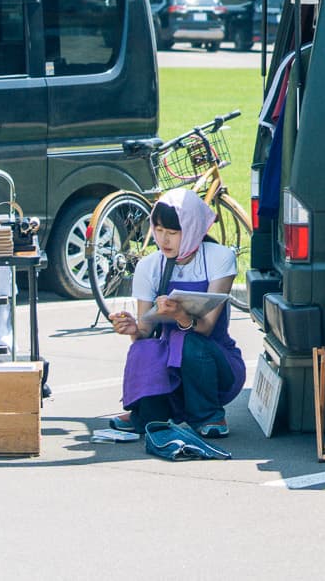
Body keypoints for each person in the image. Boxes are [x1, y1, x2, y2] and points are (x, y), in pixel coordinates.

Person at [104, 189, 244, 451]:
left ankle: (209, 415)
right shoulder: (149, 266)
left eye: (173, 232)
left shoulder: (220, 257)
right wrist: (134, 328)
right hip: (169, 362)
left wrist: (180, 314)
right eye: (158, 230)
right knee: (143, 348)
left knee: (188, 340)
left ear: (191, 229)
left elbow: (207, 327)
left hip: (214, 361)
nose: (163, 239)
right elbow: (145, 331)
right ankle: (147, 415)